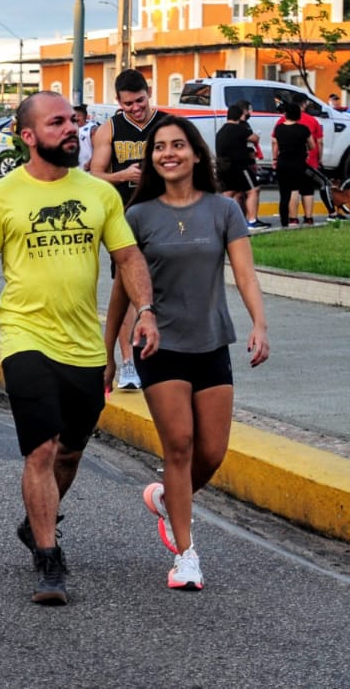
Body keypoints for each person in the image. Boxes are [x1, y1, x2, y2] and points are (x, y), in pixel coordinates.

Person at [0, 91, 158, 605]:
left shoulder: (99, 193)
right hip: (25, 337)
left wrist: (147, 312)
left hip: (85, 346)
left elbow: (129, 257)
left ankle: (34, 521)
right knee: (41, 448)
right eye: (57, 123)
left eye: (72, 120)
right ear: (28, 136)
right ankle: (49, 558)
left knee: (70, 450)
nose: (72, 128)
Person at [104, 115, 269, 590]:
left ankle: (165, 499)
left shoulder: (223, 210)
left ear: (197, 154)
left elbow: (245, 274)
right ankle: (186, 555)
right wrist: (110, 352)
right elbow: (120, 291)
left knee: (211, 453)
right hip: (160, 346)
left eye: (179, 145)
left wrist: (260, 324)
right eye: (159, 147)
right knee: (178, 446)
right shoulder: (137, 216)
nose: (169, 153)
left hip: (212, 343)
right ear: (150, 158)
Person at [90, 69, 169, 391]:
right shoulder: (109, 129)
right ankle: (128, 363)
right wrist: (121, 176)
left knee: (163, 290)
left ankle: (163, 357)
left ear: (149, 93)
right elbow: (94, 173)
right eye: (128, 104)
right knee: (124, 292)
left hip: (165, 216)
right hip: (124, 220)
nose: (135, 109)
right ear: (117, 102)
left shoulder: (167, 125)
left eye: (140, 101)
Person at [215, 101, 266, 229]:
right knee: (253, 190)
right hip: (239, 166)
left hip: (223, 167)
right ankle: (252, 221)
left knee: (228, 194)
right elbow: (254, 139)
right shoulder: (239, 128)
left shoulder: (221, 131)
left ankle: (224, 222)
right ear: (240, 116)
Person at [271, 102, 314, 226]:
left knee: (287, 192)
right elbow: (312, 145)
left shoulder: (278, 128)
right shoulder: (303, 129)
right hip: (299, 163)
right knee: (305, 189)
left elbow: (275, 144)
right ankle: (308, 218)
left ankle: (290, 219)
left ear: (286, 114)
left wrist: (274, 159)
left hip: (283, 163)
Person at [73, 104, 98, 171]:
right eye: (74, 116)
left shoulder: (92, 129)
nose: (76, 118)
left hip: (87, 168)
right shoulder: (70, 128)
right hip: (75, 168)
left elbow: (98, 149)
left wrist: (90, 162)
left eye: (78, 116)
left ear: (85, 117)